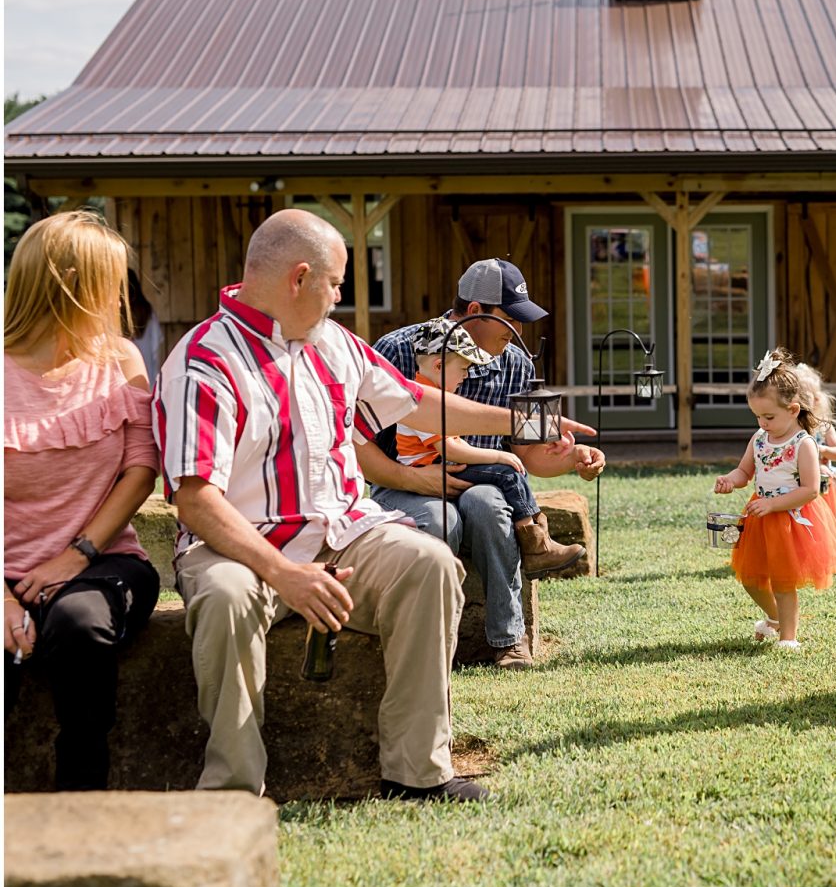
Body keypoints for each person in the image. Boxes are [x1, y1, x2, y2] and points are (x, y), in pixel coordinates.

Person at [155, 209, 523, 802]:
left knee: (429, 564)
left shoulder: (332, 343)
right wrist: (282, 573)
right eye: (336, 283)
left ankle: (417, 773)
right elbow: (196, 501)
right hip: (238, 545)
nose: (341, 296)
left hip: (345, 532)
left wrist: (525, 422)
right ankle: (234, 789)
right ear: (299, 278)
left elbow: (412, 401)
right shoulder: (204, 359)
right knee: (226, 597)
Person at [361, 258, 604, 671]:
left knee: (490, 508)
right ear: (474, 311)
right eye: (510, 320)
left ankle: (509, 640)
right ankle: (429, 643)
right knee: (442, 522)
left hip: (484, 482)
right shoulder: (398, 350)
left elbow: (523, 457)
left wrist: (568, 460)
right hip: (401, 481)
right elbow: (358, 450)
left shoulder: (517, 364)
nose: (519, 333)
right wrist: (412, 478)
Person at [4, 209, 161, 790]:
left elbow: (141, 469)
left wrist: (78, 554)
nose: (119, 296)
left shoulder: (119, 359)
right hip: (6, 570)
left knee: (77, 624)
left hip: (103, 562)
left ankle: (82, 803)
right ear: (71, 285)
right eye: (110, 282)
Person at [393, 318, 563, 578]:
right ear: (439, 365)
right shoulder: (422, 399)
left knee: (503, 475)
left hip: (442, 465)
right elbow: (451, 449)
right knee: (507, 474)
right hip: (428, 469)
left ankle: (538, 539)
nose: (465, 375)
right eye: (463, 368)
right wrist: (498, 455)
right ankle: (537, 546)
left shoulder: (439, 395)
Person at [712, 348, 836, 649]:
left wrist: (773, 504)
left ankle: (789, 637)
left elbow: (811, 489)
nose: (762, 423)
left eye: (769, 416)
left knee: (784, 581)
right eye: (758, 416)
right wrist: (729, 481)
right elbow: (744, 471)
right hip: (759, 515)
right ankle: (774, 618)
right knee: (750, 577)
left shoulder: (803, 445)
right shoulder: (759, 439)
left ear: (793, 410)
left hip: (789, 518)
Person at [794, 363, 836, 527]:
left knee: (826, 522)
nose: (799, 400)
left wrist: (821, 450)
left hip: (824, 480)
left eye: (804, 396)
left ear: (816, 399)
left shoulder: (824, 426)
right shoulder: (792, 427)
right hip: (801, 480)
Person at [126, 268, 163, 383]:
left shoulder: (116, 315)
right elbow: (156, 349)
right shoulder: (148, 312)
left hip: (125, 382)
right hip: (148, 380)